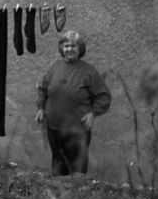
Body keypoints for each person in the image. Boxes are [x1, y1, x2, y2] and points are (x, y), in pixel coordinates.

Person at [36, 30, 111, 176]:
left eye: (73, 46)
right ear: (61, 48)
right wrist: (41, 108)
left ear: (80, 48)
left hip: (77, 130)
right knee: (58, 165)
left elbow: (104, 96)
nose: (69, 49)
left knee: (77, 169)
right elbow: (42, 88)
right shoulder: (55, 67)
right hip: (54, 128)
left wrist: (93, 114)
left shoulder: (89, 72)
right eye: (66, 46)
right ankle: (58, 190)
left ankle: (77, 191)